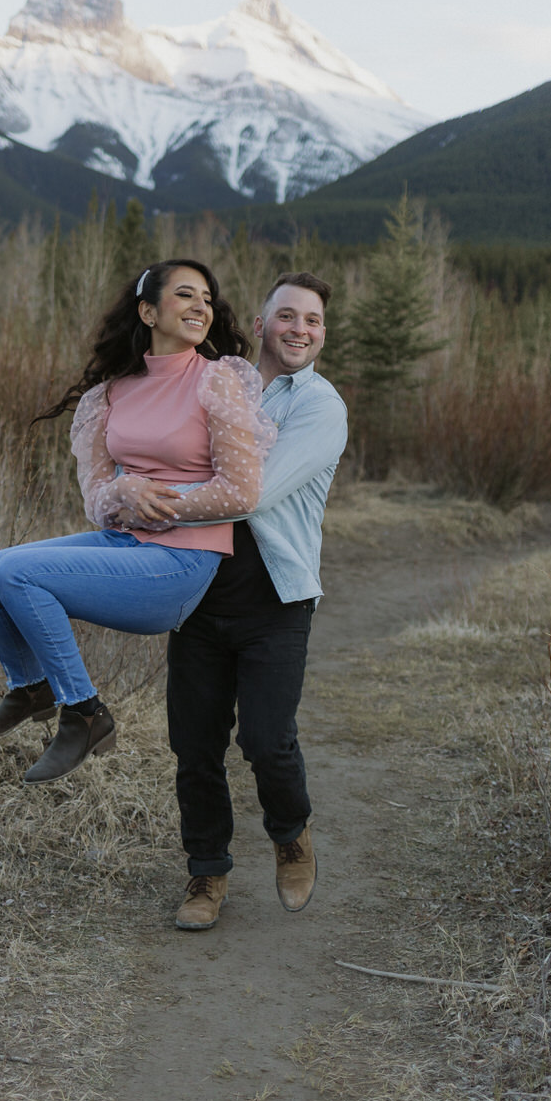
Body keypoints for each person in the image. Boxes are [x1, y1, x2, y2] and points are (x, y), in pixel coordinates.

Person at [0, 260, 275, 784]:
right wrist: (121, 491)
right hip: (122, 541)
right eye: (185, 295)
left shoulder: (217, 382)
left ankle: (85, 714)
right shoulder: (112, 393)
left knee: (19, 574)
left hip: (181, 561)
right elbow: (97, 499)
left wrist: (161, 501)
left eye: (207, 298)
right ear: (148, 311)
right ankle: (30, 686)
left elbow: (242, 491)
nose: (202, 306)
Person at [161, 272, 347, 930]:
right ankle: (205, 875)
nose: (300, 329)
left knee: (267, 742)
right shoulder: (213, 382)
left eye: (313, 320)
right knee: (195, 745)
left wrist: (159, 501)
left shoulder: (320, 406)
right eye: (288, 316)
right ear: (263, 323)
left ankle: (289, 832)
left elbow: (253, 490)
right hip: (197, 593)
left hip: (276, 600)